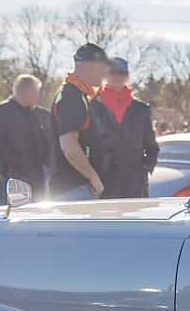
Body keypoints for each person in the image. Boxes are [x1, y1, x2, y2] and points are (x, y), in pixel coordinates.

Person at [85, 56, 158, 199]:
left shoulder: (141, 109)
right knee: (105, 220)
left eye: (122, 73)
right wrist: (90, 176)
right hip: (102, 181)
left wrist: (145, 168)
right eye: (113, 72)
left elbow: (151, 146)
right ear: (105, 75)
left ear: (127, 76)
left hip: (134, 183)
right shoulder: (92, 106)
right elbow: (84, 143)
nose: (117, 77)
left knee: (134, 220)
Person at [50, 43, 109, 199]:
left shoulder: (78, 94)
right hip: (73, 189)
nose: (105, 73)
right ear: (90, 66)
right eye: (103, 67)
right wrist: (93, 177)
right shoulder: (72, 95)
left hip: (74, 187)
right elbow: (69, 145)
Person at [0, 74, 53, 198]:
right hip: (15, 173)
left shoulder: (39, 114)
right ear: (27, 92)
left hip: (38, 172)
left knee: (38, 210)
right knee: (19, 209)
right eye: (36, 92)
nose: (38, 96)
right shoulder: (3, 111)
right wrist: (13, 160)